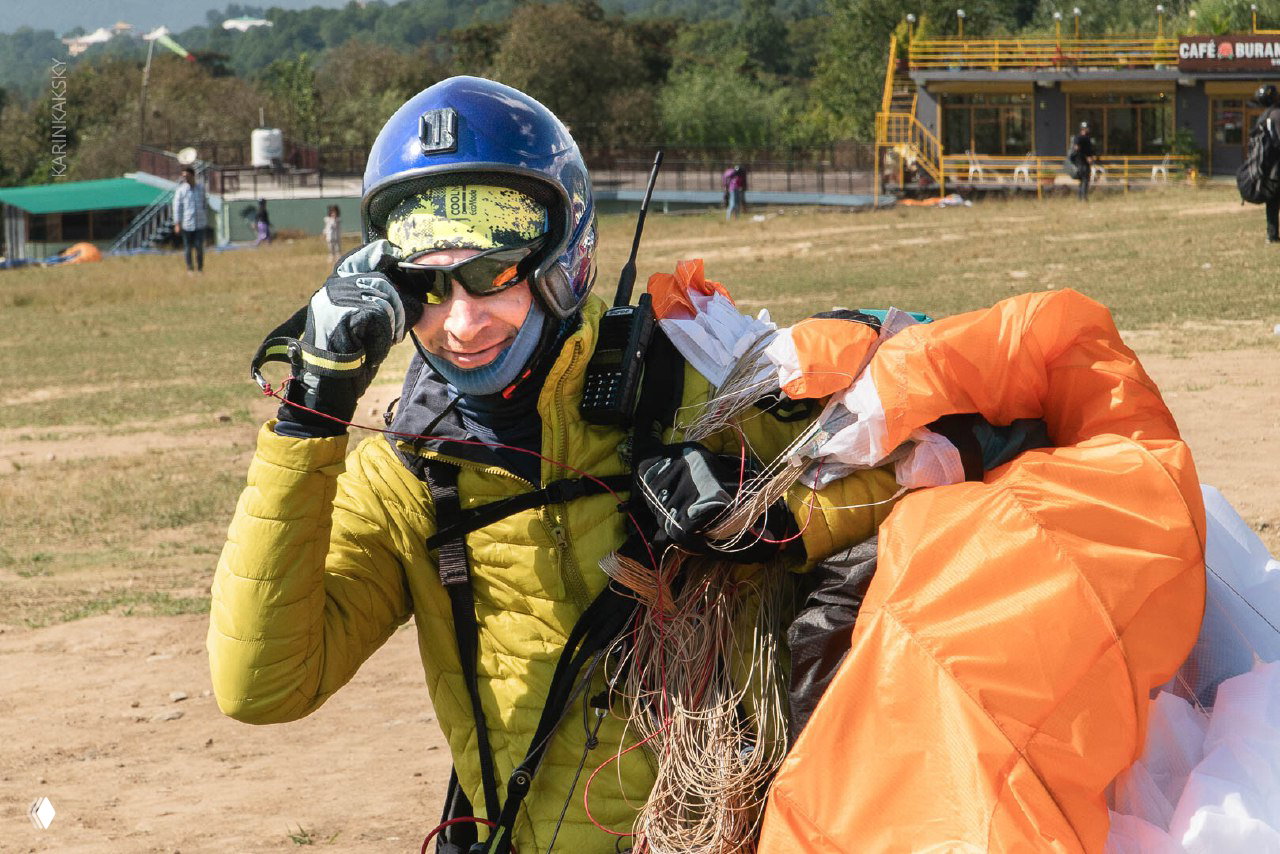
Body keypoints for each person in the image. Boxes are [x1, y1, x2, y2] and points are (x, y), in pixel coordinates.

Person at [207, 76, 899, 854]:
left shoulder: (705, 388)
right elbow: (261, 687)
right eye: (427, 284)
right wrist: (309, 414)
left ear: (562, 259)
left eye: (492, 273)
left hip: (734, 831)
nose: (461, 322)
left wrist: (778, 521)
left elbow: (937, 461)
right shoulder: (405, 480)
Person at [1253, 84, 1280, 243]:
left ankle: (1272, 235)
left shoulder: (1264, 117)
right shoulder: (1277, 115)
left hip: (1268, 166)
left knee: (1273, 201)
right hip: (1277, 164)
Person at [171, 166, 207, 273]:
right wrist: (177, 223)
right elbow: (177, 207)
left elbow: (204, 204)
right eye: (183, 176)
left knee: (199, 247)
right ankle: (190, 268)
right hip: (187, 224)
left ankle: (200, 268)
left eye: (187, 176)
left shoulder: (201, 188)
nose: (185, 178)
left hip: (200, 223)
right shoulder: (181, 190)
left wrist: (205, 217)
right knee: (188, 247)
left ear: (192, 175)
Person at [1069, 122, 1097, 201]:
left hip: (1085, 162)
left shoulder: (1087, 138)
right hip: (1081, 162)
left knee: (1083, 180)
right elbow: (1077, 149)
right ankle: (1083, 198)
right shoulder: (1079, 138)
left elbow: (1089, 150)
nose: (1088, 130)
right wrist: (1087, 157)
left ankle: (1080, 197)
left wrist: (1091, 156)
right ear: (1083, 129)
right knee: (1084, 180)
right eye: (1086, 128)